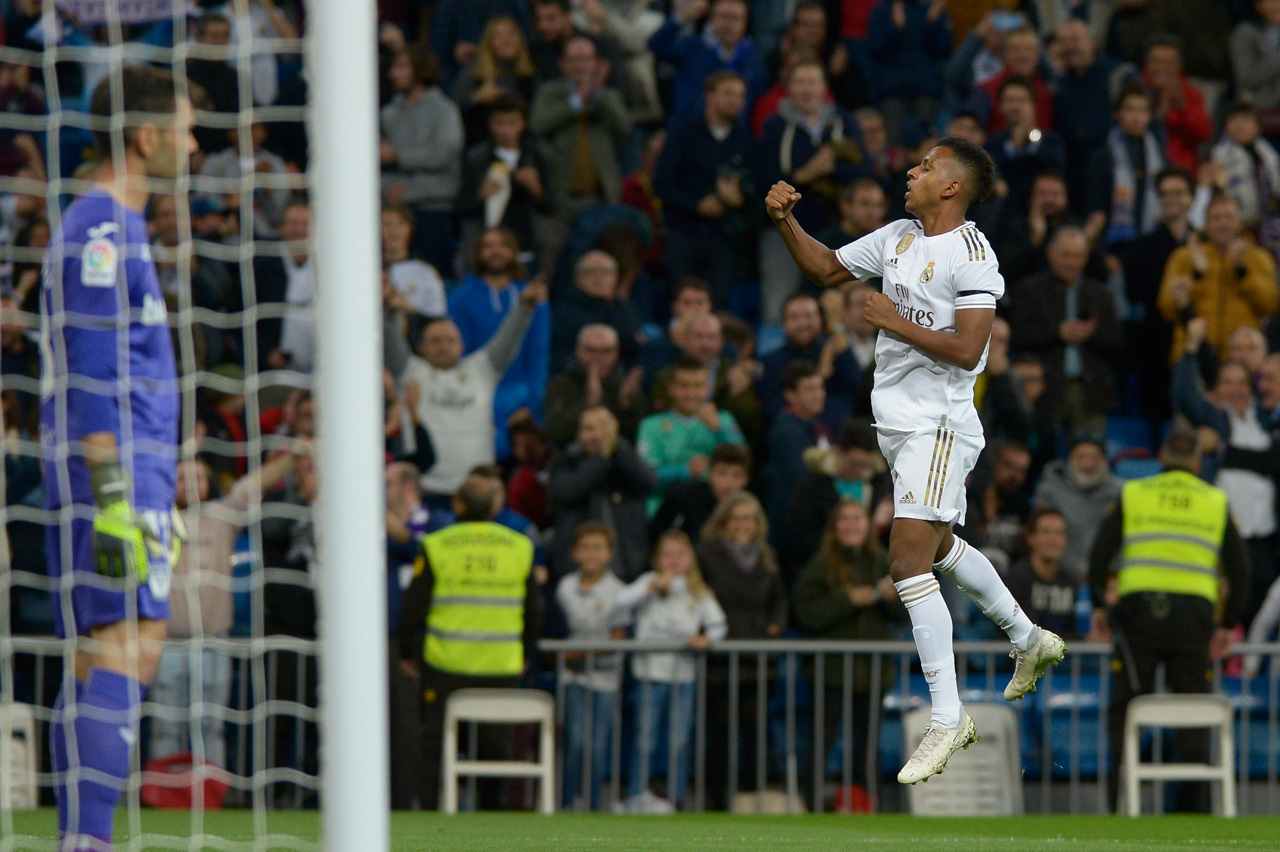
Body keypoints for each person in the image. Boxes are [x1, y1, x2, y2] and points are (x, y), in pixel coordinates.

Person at [764, 134, 1066, 785]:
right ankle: (1028, 638)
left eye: (926, 166)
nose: (912, 169)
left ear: (952, 186)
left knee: (904, 561)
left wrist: (891, 320)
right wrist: (786, 220)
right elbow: (823, 268)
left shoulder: (974, 255)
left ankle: (948, 716)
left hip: (939, 423)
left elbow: (967, 350)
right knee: (936, 549)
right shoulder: (898, 235)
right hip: (899, 426)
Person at [43, 65, 195, 850]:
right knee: (126, 647)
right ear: (146, 136)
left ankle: (82, 837)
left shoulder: (114, 227)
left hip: (133, 467)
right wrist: (111, 493)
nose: (195, 143)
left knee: (101, 652)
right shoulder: (102, 230)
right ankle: (90, 840)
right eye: (186, 126)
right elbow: (92, 374)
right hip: (117, 473)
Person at [1089, 424, 1251, 812]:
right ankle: (1192, 813)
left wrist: (1100, 605)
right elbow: (1241, 571)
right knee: (1194, 713)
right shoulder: (1214, 500)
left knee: (1126, 711)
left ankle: (1119, 806)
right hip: (1193, 620)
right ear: (1197, 461)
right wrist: (1227, 624)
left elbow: (1099, 555)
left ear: (1161, 459)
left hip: (1138, 614)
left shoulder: (1135, 493)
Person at [397, 475, 545, 811]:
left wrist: (408, 653)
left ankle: (429, 812)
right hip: (500, 664)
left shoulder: (437, 544)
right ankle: (491, 816)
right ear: (494, 506)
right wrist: (525, 652)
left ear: (457, 505)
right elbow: (535, 610)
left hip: (445, 664)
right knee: (495, 748)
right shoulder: (520, 546)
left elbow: (412, 607)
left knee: (434, 745)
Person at [150, 450, 300, 773]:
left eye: (198, 478)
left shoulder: (222, 516)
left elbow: (251, 485)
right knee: (166, 729)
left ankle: (210, 797)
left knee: (211, 728)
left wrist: (291, 456)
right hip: (167, 644)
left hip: (213, 643)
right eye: (181, 478)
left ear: (209, 483)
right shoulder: (154, 519)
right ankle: (165, 802)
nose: (190, 485)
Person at [393, 279, 548, 502]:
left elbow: (509, 340)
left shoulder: (481, 369)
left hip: (477, 488)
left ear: (462, 346)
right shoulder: (410, 370)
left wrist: (524, 308)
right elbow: (391, 343)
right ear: (421, 347)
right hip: (425, 488)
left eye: (450, 340)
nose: (443, 346)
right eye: (435, 341)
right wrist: (390, 312)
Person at [792, 498, 903, 805]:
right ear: (834, 526)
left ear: (868, 525)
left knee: (867, 747)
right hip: (830, 672)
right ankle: (811, 804)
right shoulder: (821, 563)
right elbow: (805, 613)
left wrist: (894, 600)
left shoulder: (882, 560)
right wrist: (847, 600)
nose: (851, 525)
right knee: (821, 743)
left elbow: (906, 617)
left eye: (858, 519)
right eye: (845, 519)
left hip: (873, 673)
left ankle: (869, 804)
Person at [614, 530, 727, 812]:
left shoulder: (697, 591)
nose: (673, 561)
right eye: (667, 554)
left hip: (683, 676)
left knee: (678, 740)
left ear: (689, 559)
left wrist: (706, 639)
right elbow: (621, 601)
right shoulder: (647, 583)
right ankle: (635, 795)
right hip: (648, 674)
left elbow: (719, 625)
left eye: (680, 554)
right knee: (644, 739)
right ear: (657, 559)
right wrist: (653, 585)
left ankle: (675, 799)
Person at [695, 491, 787, 811]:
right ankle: (716, 802)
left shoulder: (766, 556)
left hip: (759, 660)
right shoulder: (706, 556)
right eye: (735, 518)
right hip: (720, 661)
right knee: (719, 736)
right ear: (723, 522)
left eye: (748, 518)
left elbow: (779, 601)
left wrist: (775, 626)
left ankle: (751, 801)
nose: (741, 524)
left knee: (757, 734)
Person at [384, 460, 454, 809]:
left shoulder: (438, 521)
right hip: (383, 638)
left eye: (388, 484)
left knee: (413, 724)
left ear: (408, 488)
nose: (382, 493)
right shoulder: (375, 527)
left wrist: (395, 529)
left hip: (424, 640)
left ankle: (415, 799)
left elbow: (429, 553)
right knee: (386, 722)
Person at [448, 227, 553, 460]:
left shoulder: (534, 296)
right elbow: (460, 355)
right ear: (477, 253)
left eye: (503, 245)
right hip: (479, 397)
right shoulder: (461, 298)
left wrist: (532, 405)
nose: (496, 251)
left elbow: (539, 352)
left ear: (514, 252)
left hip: (522, 397)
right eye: (488, 245)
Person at [1008, 226, 1123, 436]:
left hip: (1090, 394)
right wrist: (1057, 333)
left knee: (1090, 456)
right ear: (1050, 253)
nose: (1071, 263)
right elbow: (1017, 336)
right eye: (1066, 255)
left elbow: (1118, 341)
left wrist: (1091, 334)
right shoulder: (1028, 291)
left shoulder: (1100, 294)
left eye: (1077, 256)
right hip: (1042, 391)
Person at [653, 70, 754, 307]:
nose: (735, 101)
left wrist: (738, 201)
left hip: (724, 238)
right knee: (681, 300)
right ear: (709, 95)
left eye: (740, 96)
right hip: (683, 233)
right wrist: (698, 204)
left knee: (718, 303)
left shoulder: (746, 140)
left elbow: (756, 191)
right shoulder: (683, 133)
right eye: (728, 93)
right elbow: (662, 184)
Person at [553, 521, 630, 811]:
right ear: (574, 553)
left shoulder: (619, 591)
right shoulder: (565, 587)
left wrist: (577, 652)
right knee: (574, 742)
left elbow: (617, 639)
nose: (591, 554)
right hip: (571, 678)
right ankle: (567, 803)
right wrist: (577, 654)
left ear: (609, 553)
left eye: (598, 548)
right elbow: (558, 636)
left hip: (606, 680)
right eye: (585, 548)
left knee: (598, 746)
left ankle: (593, 805)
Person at [1157, 195, 1279, 363]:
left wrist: (1242, 271)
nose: (1223, 224)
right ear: (1206, 224)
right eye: (1216, 218)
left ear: (1239, 223)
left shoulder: (1258, 257)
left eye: (1229, 217)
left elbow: (1270, 305)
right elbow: (1167, 310)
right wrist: (1196, 275)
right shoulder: (1184, 257)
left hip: (1242, 359)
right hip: (1194, 355)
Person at [380, 44, 465, 274]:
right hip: (393, 211)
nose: (392, 74)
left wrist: (398, 157)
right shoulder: (388, 114)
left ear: (419, 70)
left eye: (401, 67)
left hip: (433, 211)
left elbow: (444, 152)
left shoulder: (444, 109)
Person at [547, 406, 657, 582]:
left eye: (603, 428)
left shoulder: (626, 459)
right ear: (578, 433)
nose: (596, 435)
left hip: (627, 567)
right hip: (574, 574)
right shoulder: (566, 461)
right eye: (588, 428)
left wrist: (618, 448)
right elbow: (569, 491)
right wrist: (602, 458)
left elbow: (649, 482)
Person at [529, 34, 632, 223]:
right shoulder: (550, 92)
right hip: (562, 195)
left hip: (601, 196)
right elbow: (537, 124)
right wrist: (576, 102)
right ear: (562, 64)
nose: (580, 66)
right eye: (574, 60)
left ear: (596, 63)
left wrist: (598, 94)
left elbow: (623, 126)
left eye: (586, 59)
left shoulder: (606, 95)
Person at [636, 355, 746, 513]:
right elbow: (645, 476)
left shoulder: (723, 420)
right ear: (671, 388)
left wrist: (718, 429)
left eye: (698, 386)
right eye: (684, 386)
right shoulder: (651, 426)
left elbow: (742, 460)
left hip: (717, 510)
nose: (691, 393)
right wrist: (685, 470)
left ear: (708, 387)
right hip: (666, 508)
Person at [647, 0, 765, 125]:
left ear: (745, 22)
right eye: (723, 16)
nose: (728, 24)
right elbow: (656, 45)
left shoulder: (753, 58)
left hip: (733, 137)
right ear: (711, 18)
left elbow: (756, 101)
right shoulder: (692, 46)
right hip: (688, 130)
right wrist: (682, 17)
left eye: (735, 18)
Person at [1032, 436, 1122, 581]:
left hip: (1106, 578)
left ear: (1105, 462)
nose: (1088, 464)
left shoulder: (1119, 493)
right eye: (1081, 457)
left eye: (1095, 458)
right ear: (1069, 460)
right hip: (1057, 578)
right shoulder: (1050, 489)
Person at [544, 323, 646, 446]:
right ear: (578, 351)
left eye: (606, 351)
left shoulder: (624, 388)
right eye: (591, 350)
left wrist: (628, 405)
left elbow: (638, 437)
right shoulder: (561, 386)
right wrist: (589, 403)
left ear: (616, 353)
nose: (598, 358)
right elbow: (554, 433)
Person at [764, 361, 828, 527]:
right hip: (791, 522)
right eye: (809, 389)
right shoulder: (786, 432)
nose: (818, 394)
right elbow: (801, 479)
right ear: (790, 395)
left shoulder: (817, 426)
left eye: (820, 387)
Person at [1004, 507, 1082, 641]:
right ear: (1030, 538)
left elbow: (1074, 631)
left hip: (1063, 659)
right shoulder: (1016, 579)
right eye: (1046, 532)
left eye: (1059, 533)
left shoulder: (1070, 582)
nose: (1053, 540)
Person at [651, 443, 752, 544]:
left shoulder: (749, 509)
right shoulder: (684, 495)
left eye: (736, 475)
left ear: (746, 479)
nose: (728, 482)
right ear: (710, 473)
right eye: (722, 473)